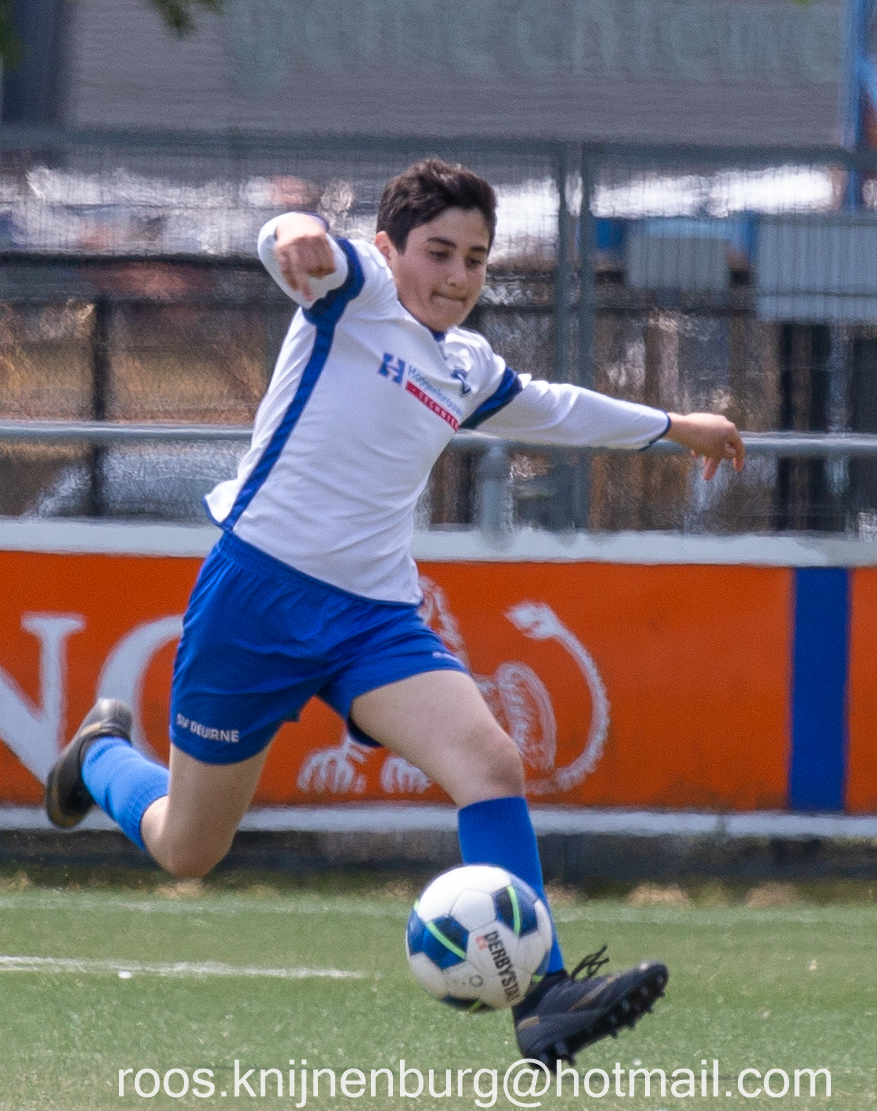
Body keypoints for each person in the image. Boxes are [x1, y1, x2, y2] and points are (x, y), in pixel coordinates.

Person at [45, 158, 745, 1069]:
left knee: (490, 760)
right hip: (256, 600)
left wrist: (674, 425)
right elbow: (293, 243)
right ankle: (99, 756)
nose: (457, 276)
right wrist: (294, 231)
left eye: (476, 260)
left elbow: (555, 409)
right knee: (188, 848)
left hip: (373, 616)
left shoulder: (465, 365)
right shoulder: (357, 293)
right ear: (389, 249)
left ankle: (543, 1000)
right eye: (439, 252)